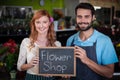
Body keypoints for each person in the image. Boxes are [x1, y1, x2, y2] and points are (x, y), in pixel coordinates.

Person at [66, 3, 118, 80]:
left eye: (86, 17)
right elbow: (68, 67)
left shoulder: (104, 41)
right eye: (79, 17)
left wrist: (87, 60)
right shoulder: (70, 40)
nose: (83, 20)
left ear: (93, 18)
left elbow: (109, 73)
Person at [17, 9, 61, 80]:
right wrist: (30, 65)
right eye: (38, 22)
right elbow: (19, 67)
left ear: (49, 23)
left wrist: (53, 72)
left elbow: (59, 68)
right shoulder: (26, 42)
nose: (41, 26)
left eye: (44, 22)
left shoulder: (57, 44)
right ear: (34, 24)